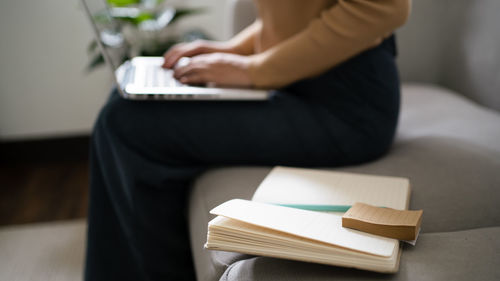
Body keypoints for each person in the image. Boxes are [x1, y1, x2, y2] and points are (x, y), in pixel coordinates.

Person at [84, 0, 411, 280]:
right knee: (125, 103)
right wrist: (231, 52)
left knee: (128, 125)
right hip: (295, 83)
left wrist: (253, 70)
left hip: (348, 108)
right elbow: (296, 18)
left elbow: (386, 7)